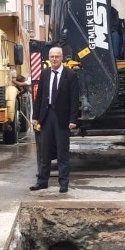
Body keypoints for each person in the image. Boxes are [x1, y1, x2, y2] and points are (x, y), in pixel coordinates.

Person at [30, 46, 80, 193]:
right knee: (44, 151)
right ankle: (42, 181)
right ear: (49, 58)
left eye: (57, 56)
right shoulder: (45, 74)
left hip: (62, 118)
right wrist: (35, 117)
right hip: (46, 116)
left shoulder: (70, 75)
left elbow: (74, 99)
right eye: (52, 57)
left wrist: (73, 119)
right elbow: (39, 97)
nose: (54, 59)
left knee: (62, 152)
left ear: (62, 58)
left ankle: (63, 183)